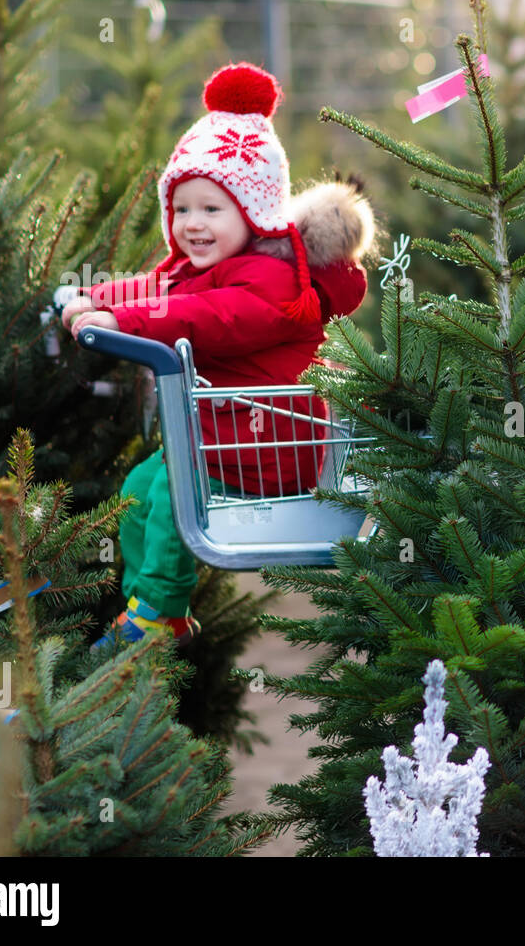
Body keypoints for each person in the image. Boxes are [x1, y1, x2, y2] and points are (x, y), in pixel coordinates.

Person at [61, 62, 375, 648]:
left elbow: (206, 317)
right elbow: (159, 290)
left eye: (212, 209)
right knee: (137, 488)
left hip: (270, 443)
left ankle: (156, 609)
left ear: (254, 214)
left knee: (171, 490)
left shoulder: (271, 284)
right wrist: (92, 298)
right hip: (219, 438)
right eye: (182, 209)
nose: (192, 225)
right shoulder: (209, 266)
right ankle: (150, 605)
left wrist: (118, 321)